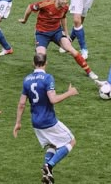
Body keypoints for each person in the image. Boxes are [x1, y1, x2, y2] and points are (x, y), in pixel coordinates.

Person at [13, 53, 78, 184]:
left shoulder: (27, 79)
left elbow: (21, 104)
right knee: (71, 141)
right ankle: (49, 165)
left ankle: (47, 176)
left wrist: (18, 123)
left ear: (33, 63)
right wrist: (69, 93)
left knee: (52, 144)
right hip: (48, 120)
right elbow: (53, 99)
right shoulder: (47, 78)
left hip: (35, 122)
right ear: (46, 63)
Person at [18, 0, 98, 80]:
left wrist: (66, 34)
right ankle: (38, 74)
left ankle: (89, 72)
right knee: (41, 57)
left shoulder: (65, 7)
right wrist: (25, 20)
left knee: (71, 49)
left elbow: (63, 17)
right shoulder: (46, 4)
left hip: (56, 32)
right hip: (42, 34)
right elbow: (30, 7)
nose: (65, 2)